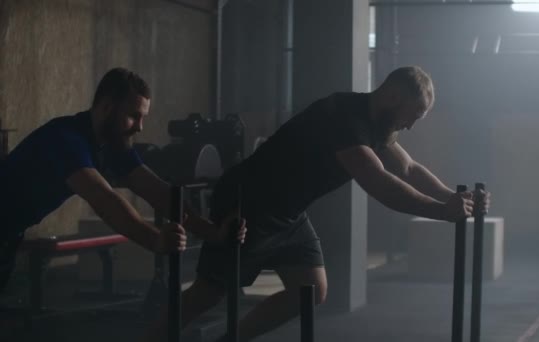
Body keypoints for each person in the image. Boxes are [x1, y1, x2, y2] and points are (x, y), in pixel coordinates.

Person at [145, 65, 491, 342]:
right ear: (392, 95)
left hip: (289, 212)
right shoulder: (343, 117)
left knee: (310, 291)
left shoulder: (377, 125)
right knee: (207, 295)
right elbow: (382, 185)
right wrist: (440, 212)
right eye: (411, 115)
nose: (411, 125)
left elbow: (409, 168)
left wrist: (454, 198)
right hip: (250, 203)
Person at [0, 67, 246, 293]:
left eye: (143, 118)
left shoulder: (110, 145)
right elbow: (105, 199)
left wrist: (214, 233)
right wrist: (155, 240)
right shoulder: (66, 140)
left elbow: (157, 191)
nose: (139, 127)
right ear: (107, 107)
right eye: (133, 116)